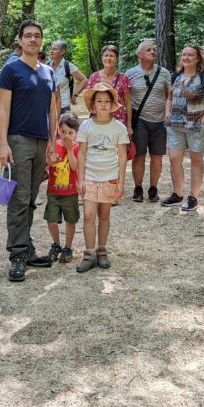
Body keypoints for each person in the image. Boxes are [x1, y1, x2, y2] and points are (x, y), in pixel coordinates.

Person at [0, 19, 61, 282]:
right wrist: (3, 143)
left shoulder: (48, 72)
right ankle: (18, 255)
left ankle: (27, 246)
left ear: (41, 40)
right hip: (18, 140)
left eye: (37, 36)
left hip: (41, 141)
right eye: (28, 36)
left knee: (32, 197)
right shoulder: (10, 70)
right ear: (20, 41)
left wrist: (52, 143)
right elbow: (2, 108)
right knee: (18, 198)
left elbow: (53, 109)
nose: (33, 39)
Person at [75, 84, 129, 272]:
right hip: (89, 176)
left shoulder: (119, 128)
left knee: (104, 214)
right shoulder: (86, 126)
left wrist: (121, 182)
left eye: (107, 101)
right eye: (99, 101)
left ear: (113, 104)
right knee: (89, 214)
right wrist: (80, 179)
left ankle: (102, 250)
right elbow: (81, 154)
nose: (103, 105)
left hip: (110, 177)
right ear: (93, 105)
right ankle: (89, 252)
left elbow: (122, 156)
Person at [162, 45, 204, 211]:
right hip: (175, 125)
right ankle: (177, 194)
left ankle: (193, 196)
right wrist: (167, 113)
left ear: (197, 59)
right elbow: (169, 98)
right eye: (184, 54)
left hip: (196, 126)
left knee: (196, 161)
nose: (186, 57)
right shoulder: (176, 76)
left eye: (190, 55)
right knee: (174, 159)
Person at [125, 39, 172, 203]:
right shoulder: (130, 74)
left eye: (154, 50)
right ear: (139, 55)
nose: (153, 52)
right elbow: (125, 98)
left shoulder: (164, 73)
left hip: (159, 122)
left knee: (157, 156)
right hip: (140, 121)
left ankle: (153, 188)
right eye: (148, 50)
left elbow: (169, 96)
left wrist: (167, 113)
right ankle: (138, 188)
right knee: (139, 156)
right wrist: (128, 124)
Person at [47, 113, 81, 263]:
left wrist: (69, 150)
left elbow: (74, 167)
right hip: (53, 190)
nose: (66, 136)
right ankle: (56, 244)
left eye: (70, 133)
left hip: (70, 191)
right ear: (58, 130)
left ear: (76, 134)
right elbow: (47, 164)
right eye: (63, 132)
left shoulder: (76, 147)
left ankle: (68, 247)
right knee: (51, 219)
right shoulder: (53, 145)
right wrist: (49, 161)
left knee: (70, 220)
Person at [85, 45, 134, 136]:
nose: (108, 58)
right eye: (106, 55)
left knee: (119, 148)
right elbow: (89, 100)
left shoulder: (123, 78)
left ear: (116, 59)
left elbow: (128, 103)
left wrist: (129, 126)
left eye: (112, 56)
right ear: (102, 58)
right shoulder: (94, 77)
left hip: (118, 120)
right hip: (99, 119)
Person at [49, 41, 88, 116]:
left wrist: (75, 95)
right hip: (48, 104)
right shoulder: (47, 66)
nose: (51, 51)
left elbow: (84, 80)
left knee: (62, 127)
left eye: (54, 49)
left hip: (63, 106)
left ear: (62, 51)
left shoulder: (68, 66)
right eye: (51, 49)